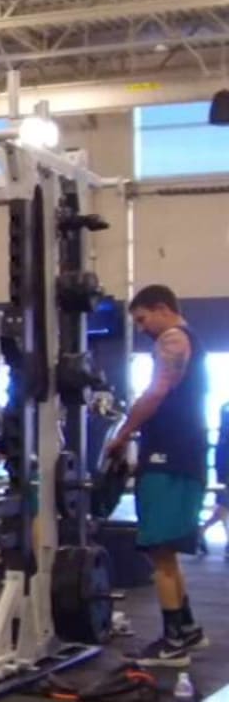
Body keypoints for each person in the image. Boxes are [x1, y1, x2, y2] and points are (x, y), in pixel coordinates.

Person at [102, 285, 208, 667]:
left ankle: (173, 643)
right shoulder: (185, 338)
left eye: (143, 319)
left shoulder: (174, 338)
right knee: (167, 553)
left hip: (172, 458)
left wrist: (124, 432)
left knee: (160, 551)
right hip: (177, 455)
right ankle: (187, 629)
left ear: (162, 309)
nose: (142, 328)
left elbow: (157, 391)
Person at [201, 401, 229, 555]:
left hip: (224, 461)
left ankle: (200, 533)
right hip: (227, 462)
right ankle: (200, 532)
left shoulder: (225, 408)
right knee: (226, 503)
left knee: (225, 503)